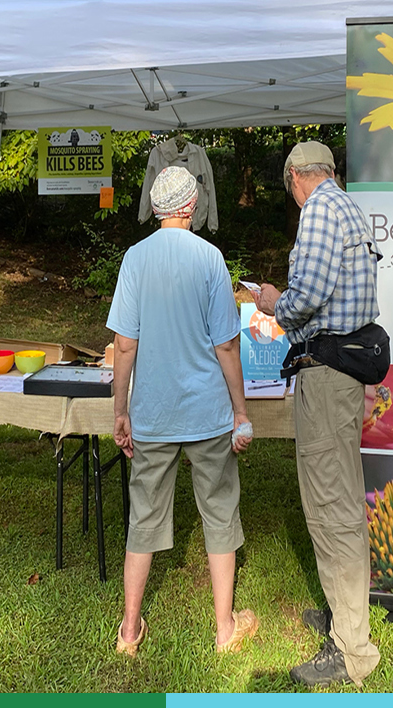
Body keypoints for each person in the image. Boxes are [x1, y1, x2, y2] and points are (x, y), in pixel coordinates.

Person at [106, 165, 257, 657]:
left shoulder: (134, 258)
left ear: (155, 207)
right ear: (191, 207)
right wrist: (240, 411)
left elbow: (124, 345)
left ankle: (129, 630)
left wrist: (120, 411)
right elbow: (227, 346)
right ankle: (224, 628)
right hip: (207, 411)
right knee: (219, 511)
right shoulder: (210, 259)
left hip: (151, 411)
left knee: (143, 516)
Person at [252, 141, 383, 686]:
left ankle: (351, 648)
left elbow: (306, 297)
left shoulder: (321, 210)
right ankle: (342, 614)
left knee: (331, 506)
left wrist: (270, 302)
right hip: (342, 373)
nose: (294, 195)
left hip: (327, 375)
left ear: (297, 177)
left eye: (290, 187)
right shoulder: (349, 205)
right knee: (342, 495)